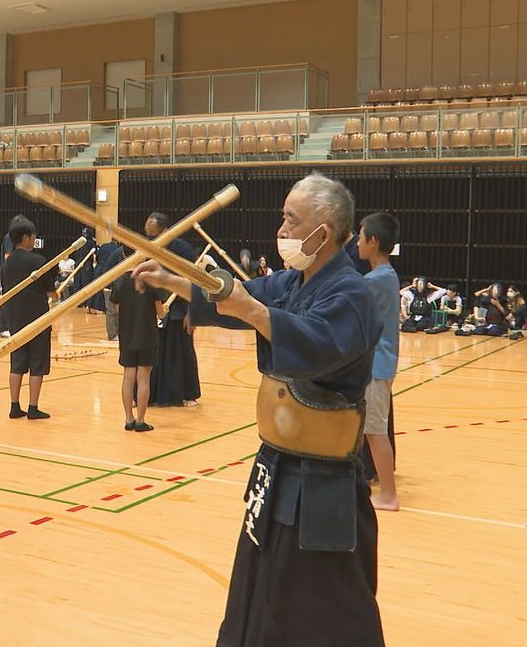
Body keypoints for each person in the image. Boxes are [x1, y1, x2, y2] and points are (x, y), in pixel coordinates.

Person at [132, 171, 384, 646]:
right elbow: (231, 299)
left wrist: (249, 308)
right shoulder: (294, 281)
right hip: (278, 467)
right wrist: (172, 280)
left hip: (322, 481)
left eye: (291, 220)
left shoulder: (351, 293)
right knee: (260, 584)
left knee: (323, 601)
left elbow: (316, 344)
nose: (282, 230)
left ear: (322, 233)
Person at [358, 212, 401, 511]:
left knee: (375, 431)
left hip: (377, 366)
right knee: (364, 430)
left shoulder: (376, 280)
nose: (357, 243)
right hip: (373, 364)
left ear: (373, 242)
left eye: (360, 237)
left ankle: (389, 495)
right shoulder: (385, 276)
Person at [1, 216, 57, 420]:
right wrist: (56, 294)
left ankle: (14, 406)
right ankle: (33, 407)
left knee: (17, 363)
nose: (34, 241)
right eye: (33, 237)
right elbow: (51, 292)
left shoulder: (6, 264)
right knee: (37, 363)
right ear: (25, 237)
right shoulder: (38, 261)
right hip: (38, 319)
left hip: (15, 318)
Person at [145, 212, 201, 407]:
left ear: (166, 231)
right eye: (148, 235)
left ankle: (187, 394)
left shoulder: (182, 249)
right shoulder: (146, 249)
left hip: (179, 307)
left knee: (181, 350)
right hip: (152, 306)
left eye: (154, 235)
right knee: (152, 353)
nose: (150, 239)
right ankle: (149, 395)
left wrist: (193, 313)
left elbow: (194, 282)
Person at [111, 252, 165, 432]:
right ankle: (141, 420)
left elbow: (118, 309)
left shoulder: (119, 280)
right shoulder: (150, 280)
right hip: (147, 335)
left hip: (127, 335)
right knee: (144, 379)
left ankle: (128, 419)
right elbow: (160, 312)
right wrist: (164, 311)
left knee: (128, 377)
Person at [0, 218, 18, 337]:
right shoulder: (10, 237)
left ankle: (8, 326)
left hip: (8, 272)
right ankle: (4, 328)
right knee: (7, 299)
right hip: (9, 272)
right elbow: (8, 256)